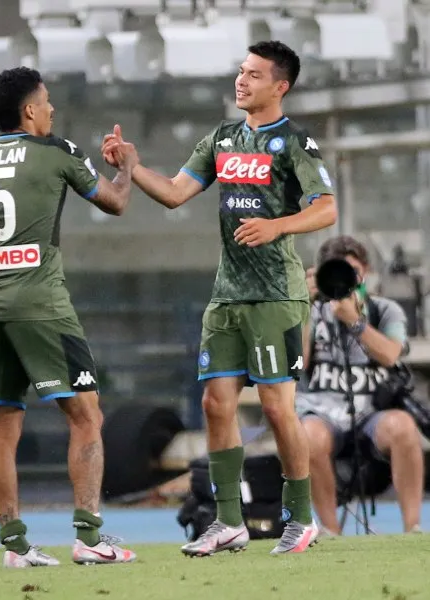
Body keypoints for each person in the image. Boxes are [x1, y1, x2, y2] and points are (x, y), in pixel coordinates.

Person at [102, 40, 338, 555]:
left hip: (276, 295)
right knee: (215, 403)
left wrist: (277, 225)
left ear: (281, 86)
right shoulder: (222, 139)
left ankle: (301, 519)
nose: (241, 81)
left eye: (254, 74)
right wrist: (132, 167)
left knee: (276, 408)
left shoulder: (294, 141)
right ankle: (229, 520)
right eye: (240, 71)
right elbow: (174, 193)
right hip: (227, 295)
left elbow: (326, 208)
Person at [0, 66, 137, 568]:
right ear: (30, 110)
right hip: (41, 304)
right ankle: (89, 537)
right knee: (86, 415)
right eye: (46, 101)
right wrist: (127, 168)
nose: (51, 109)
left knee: (2, 426)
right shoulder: (57, 151)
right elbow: (116, 203)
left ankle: (14, 546)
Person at [298, 235, 424, 535]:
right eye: (336, 271)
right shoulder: (308, 310)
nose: (344, 280)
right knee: (308, 436)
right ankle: (331, 532)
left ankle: (412, 528)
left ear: (365, 272)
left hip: (371, 412)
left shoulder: (385, 310)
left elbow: (391, 354)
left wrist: (355, 322)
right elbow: (298, 363)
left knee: (404, 427)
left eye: (351, 272)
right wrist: (302, 305)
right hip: (320, 412)